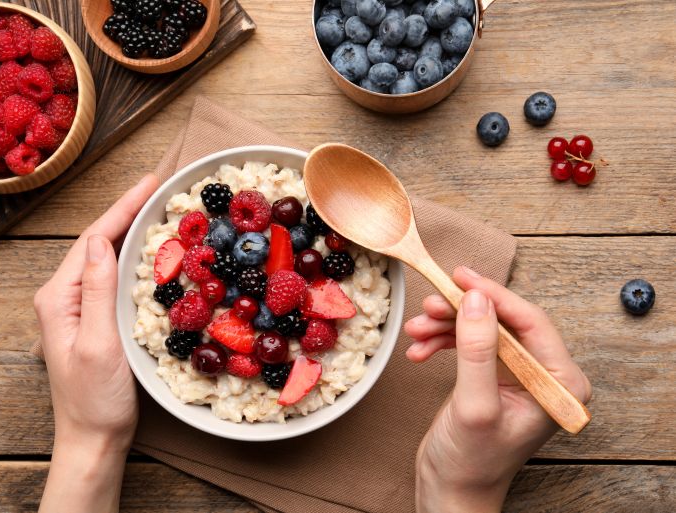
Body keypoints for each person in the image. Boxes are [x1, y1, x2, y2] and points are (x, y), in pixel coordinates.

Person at [35, 176, 591, 513]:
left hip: (289, 329)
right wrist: (458, 496)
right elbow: (249, 293)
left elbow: (285, 290)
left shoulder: (297, 271)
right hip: (239, 338)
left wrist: (90, 438)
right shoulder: (223, 281)